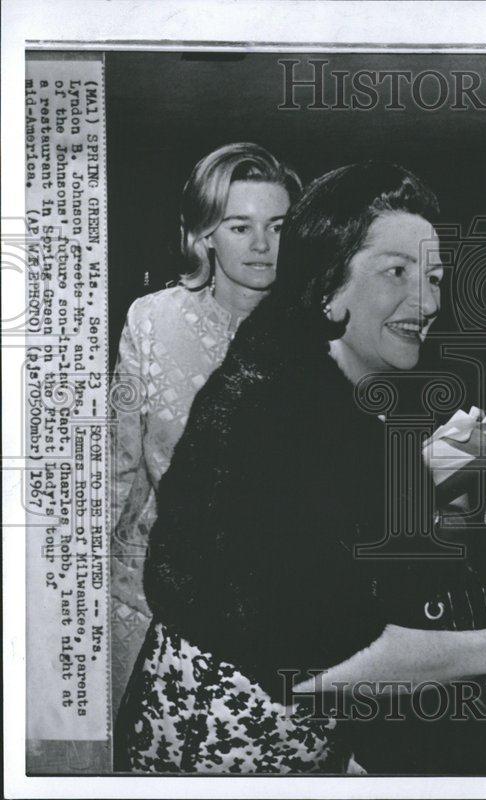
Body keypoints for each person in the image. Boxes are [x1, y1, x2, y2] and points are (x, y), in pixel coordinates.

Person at [115, 162, 486, 774]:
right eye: (397, 272)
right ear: (328, 282)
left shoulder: (385, 373)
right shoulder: (268, 407)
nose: (426, 300)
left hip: (315, 740)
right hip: (219, 747)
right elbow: (322, 658)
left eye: (435, 277)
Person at [109, 142, 301, 714]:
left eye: (278, 225)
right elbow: (118, 462)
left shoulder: (324, 329)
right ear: (204, 236)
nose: (263, 245)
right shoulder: (152, 320)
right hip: (148, 598)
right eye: (240, 226)